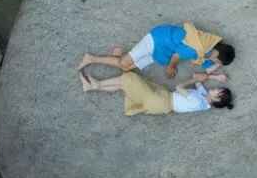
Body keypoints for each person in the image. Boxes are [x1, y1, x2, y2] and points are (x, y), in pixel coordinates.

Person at [77, 22, 235, 79]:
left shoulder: (209, 44)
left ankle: (118, 55)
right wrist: (171, 67)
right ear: (216, 54)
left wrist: (217, 73)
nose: (215, 62)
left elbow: (207, 64)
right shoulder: (197, 50)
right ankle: (90, 58)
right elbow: (176, 56)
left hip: (162, 51)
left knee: (126, 68)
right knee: (123, 63)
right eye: (217, 60)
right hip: (157, 40)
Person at [78, 69, 233, 116]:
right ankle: (93, 86)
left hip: (161, 101)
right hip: (162, 98)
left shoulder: (198, 101)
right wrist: (214, 76)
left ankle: (96, 85)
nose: (215, 88)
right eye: (218, 88)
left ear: (216, 99)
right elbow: (198, 79)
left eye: (217, 91)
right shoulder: (204, 98)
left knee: (130, 78)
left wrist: (192, 80)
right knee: (125, 85)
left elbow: (180, 87)